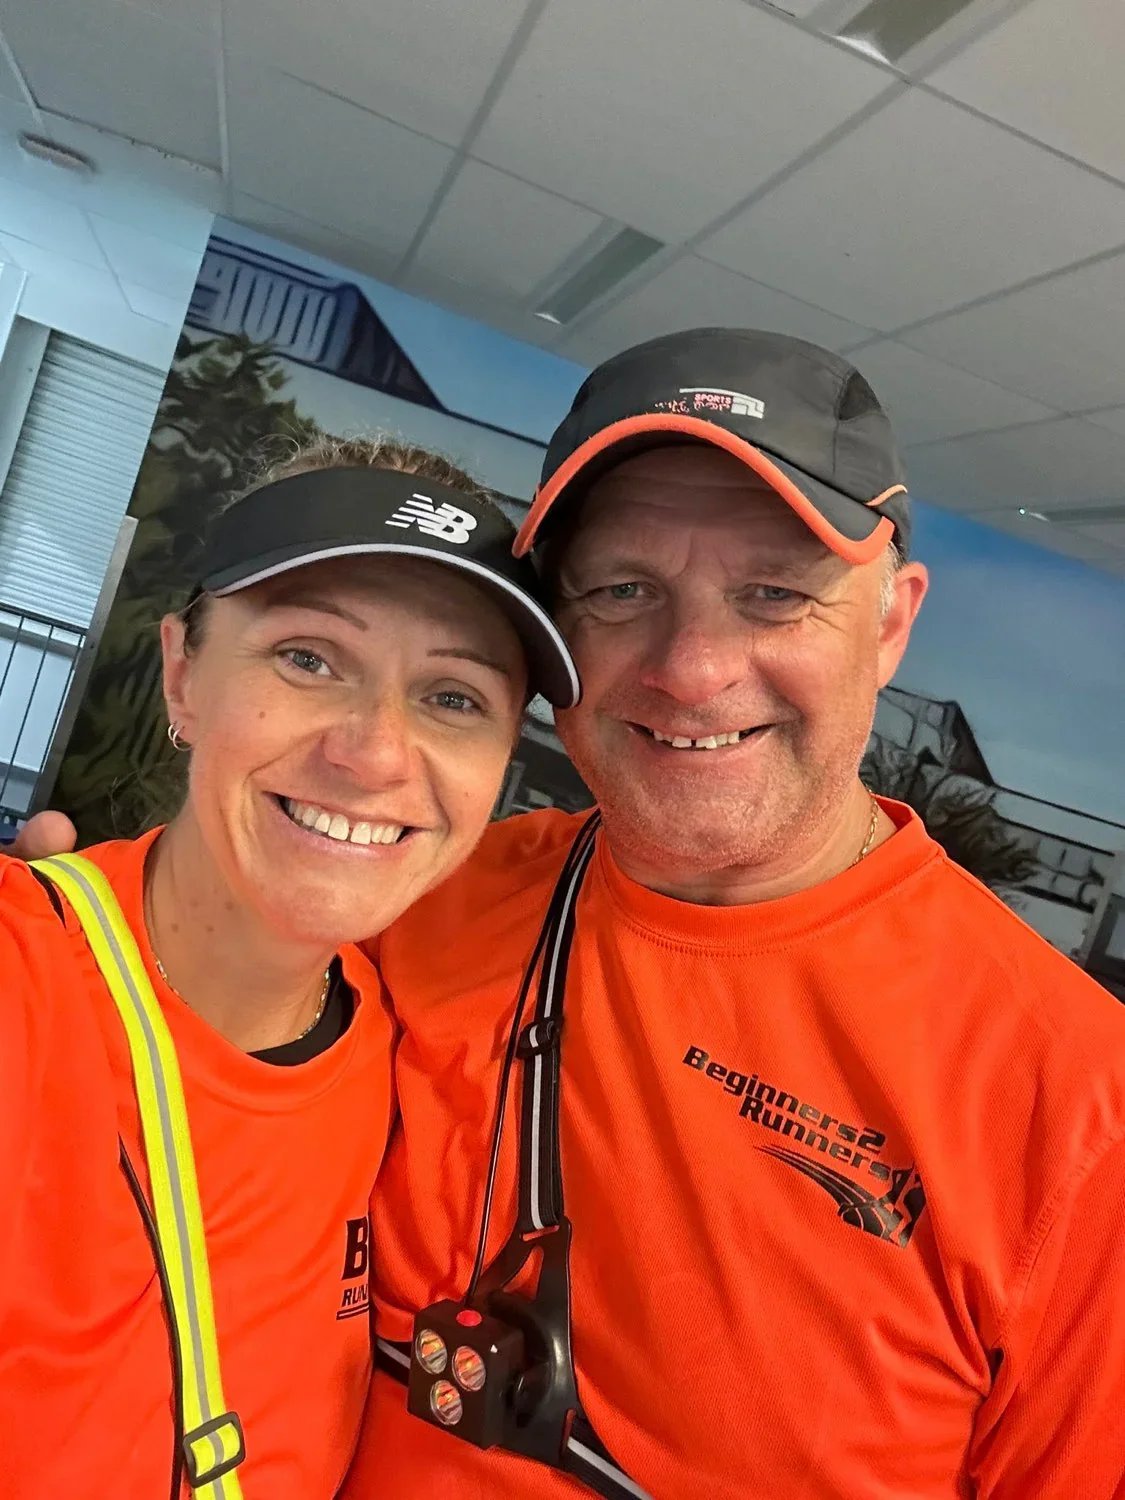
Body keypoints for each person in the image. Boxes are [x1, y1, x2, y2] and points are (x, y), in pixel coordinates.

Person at [20, 333, 1125, 1499]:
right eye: (624, 590)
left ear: (893, 623)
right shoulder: (422, 900)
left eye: (775, 594)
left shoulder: (1075, 1109)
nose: (693, 669)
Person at [0, 435, 578, 1498]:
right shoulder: (23, 987)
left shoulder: (413, 1063)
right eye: (308, 659)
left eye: (453, 698)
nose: (373, 754)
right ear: (183, 671)